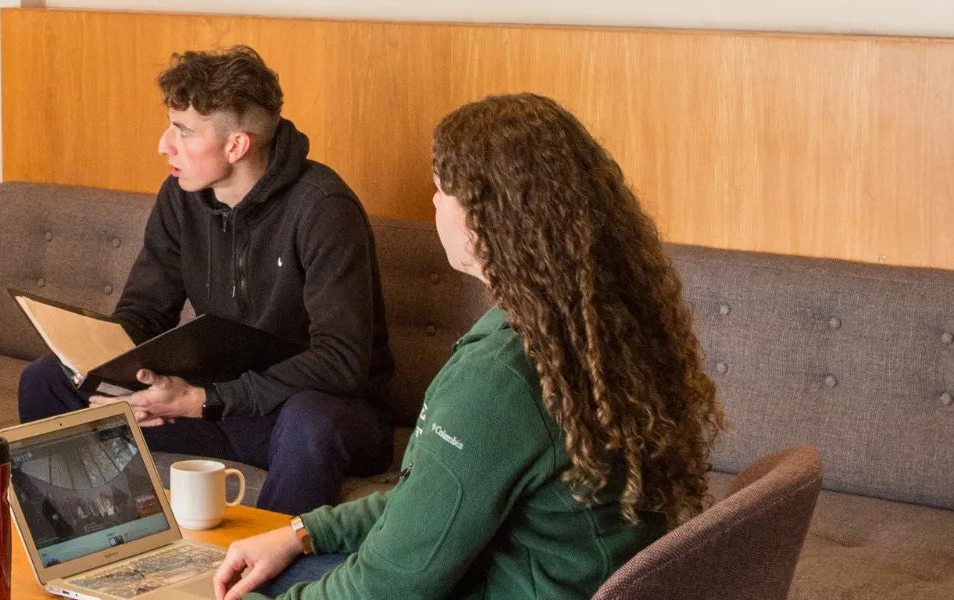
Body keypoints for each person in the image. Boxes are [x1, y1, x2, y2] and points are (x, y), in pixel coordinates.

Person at [211, 93, 726, 600]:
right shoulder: (596, 325)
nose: (433, 203)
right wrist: (303, 532)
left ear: (486, 219)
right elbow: (432, 500)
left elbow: (389, 586)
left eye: (440, 190)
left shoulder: (501, 379)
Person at [16, 45, 395, 516]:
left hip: (307, 412)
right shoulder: (182, 196)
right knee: (47, 380)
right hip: (212, 402)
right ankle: (92, 546)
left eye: (183, 132)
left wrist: (204, 399)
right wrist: (102, 365)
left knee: (309, 421)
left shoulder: (322, 209)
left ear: (236, 145)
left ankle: (268, 582)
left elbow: (341, 361)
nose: (163, 145)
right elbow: (144, 313)